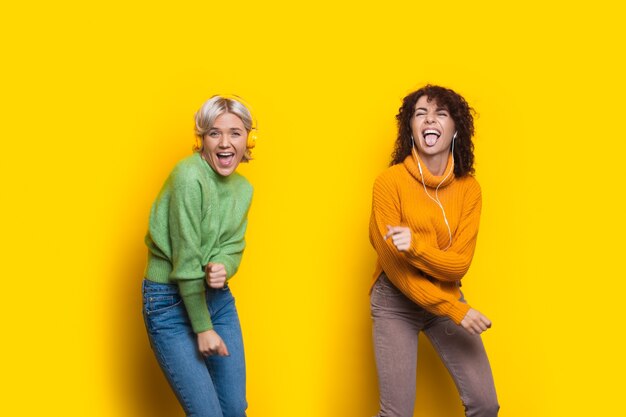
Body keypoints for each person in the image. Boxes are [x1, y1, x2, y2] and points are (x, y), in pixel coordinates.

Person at [369, 85, 499, 417]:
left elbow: (458, 266)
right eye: (421, 114)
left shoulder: (469, 189)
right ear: (410, 128)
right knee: (396, 413)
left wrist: (416, 246)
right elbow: (395, 267)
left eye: (441, 113)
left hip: (444, 295)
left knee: (485, 404)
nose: (430, 120)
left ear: (456, 128)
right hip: (395, 299)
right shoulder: (389, 183)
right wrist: (454, 310)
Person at [142, 95, 256, 417]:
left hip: (217, 300)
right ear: (201, 139)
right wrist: (203, 327)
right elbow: (187, 256)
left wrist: (224, 267)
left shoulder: (243, 190)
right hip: (168, 302)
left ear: (249, 138)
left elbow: (233, 245)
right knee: (207, 414)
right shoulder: (188, 176)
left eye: (235, 132)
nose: (225, 142)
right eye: (214, 133)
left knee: (235, 409)